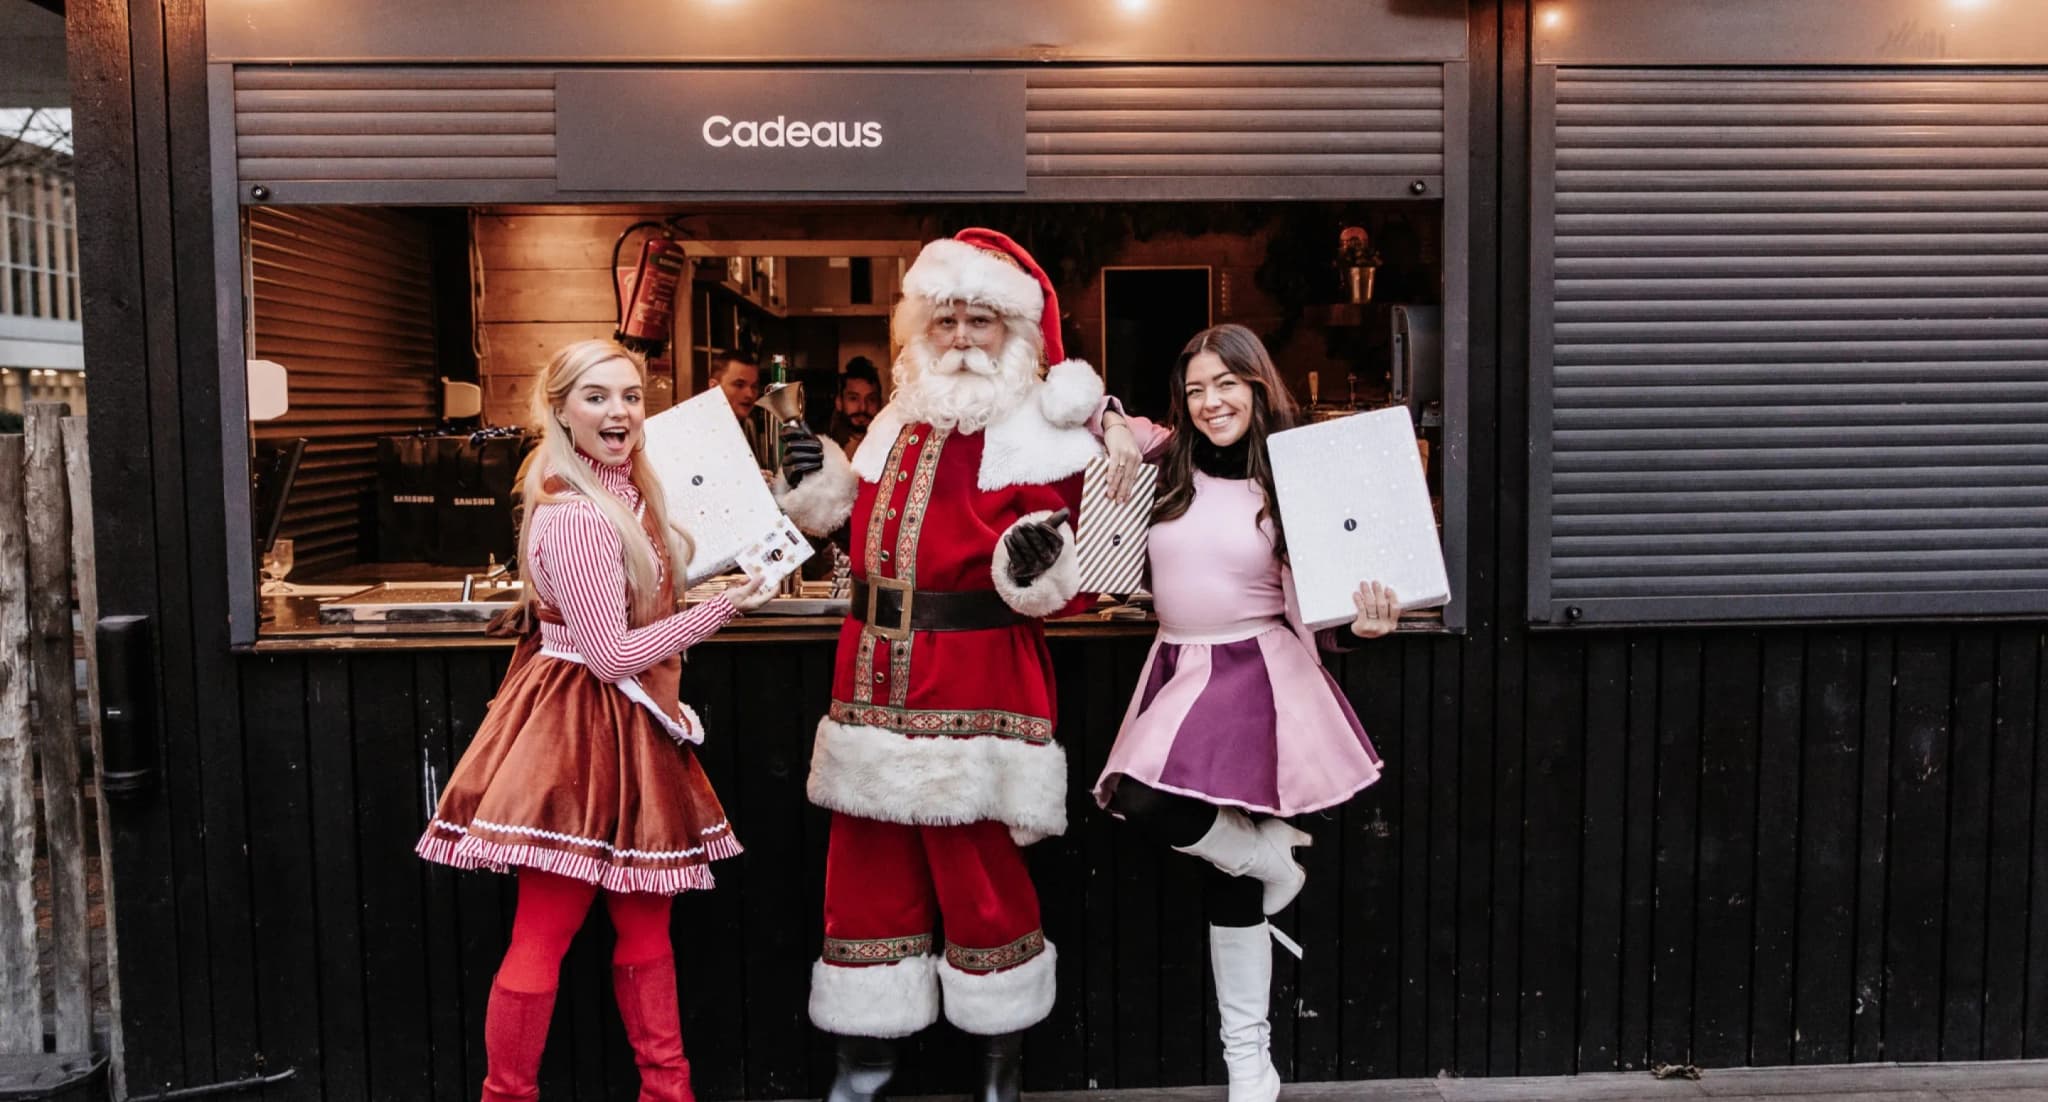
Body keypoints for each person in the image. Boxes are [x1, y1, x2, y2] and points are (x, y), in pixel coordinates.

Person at [771, 229, 1141, 1102]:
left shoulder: (1041, 430)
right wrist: (813, 476)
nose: (963, 338)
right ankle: (865, 1059)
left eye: (981, 320)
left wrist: (1034, 561)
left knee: (977, 873)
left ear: (1015, 336)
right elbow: (853, 521)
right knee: (864, 869)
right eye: (946, 321)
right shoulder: (896, 417)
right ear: (917, 330)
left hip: (974, 681)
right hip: (868, 679)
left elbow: (1072, 575)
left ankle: (998, 1064)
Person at [416, 339, 775, 1102]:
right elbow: (611, 657)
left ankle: (666, 1094)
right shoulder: (577, 515)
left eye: (632, 396)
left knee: (646, 931)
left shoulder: (632, 494)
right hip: (578, 730)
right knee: (544, 934)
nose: (620, 412)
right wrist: (720, 610)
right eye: (597, 397)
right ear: (560, 412)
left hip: (629, 727)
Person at [1092, 324, 1396, 1102]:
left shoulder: (1298, 477)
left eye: (1225, 383)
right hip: (1175, 666)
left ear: (1258, 386)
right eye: (1195, 389)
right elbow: (1090, 406)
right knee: (1147, 805)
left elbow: (1334, 592)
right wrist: (1117, 427)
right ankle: (1266, 856)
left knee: (1221, 880)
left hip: (1253, 671)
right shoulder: (1169, 461)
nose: (1209, 401)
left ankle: (1249, 1066)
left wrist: (1365, 624)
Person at [709, 353, 770, 466]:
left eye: (754, 387)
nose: (750, 394)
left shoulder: (748, 425)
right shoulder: (695, 429)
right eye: (739, 385)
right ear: (714, 387)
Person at [828, 356, 883, 454]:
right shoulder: (824, 449)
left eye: (871, 399)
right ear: (839, 402)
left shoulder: (889, 446)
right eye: (854, 398)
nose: (863, 408)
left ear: (880, 403)